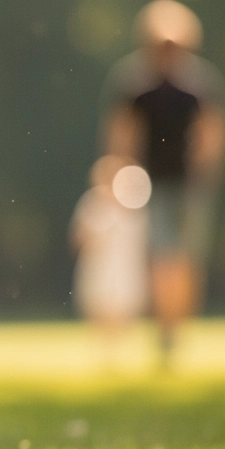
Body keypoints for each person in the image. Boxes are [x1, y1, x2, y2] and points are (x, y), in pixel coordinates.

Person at [102, 0, 225, 369]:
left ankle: (177, 330)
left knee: (187, 259)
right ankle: (164, 331)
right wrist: (121, 177)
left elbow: (213, 134)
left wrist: (203, 172)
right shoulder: (133, 84)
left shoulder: (199, 85)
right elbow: (122, 135)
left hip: (189, 187)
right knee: (162, 257)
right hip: (150, 186)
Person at [70, 154, 149, 367]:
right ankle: (105, 354)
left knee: (124, 307)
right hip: (100, 265)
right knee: (100, 305)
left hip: (124, 266)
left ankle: (121, 354)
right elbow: (79, 237)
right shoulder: (92, 203)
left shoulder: (134, 204)